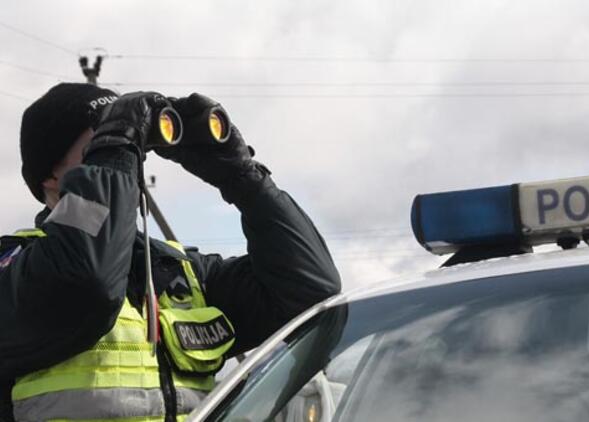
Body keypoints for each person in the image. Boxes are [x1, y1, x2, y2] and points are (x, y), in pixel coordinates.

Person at [0, 83, 341, 422]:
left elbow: (309, 290)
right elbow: (89, 283)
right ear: (50, 175)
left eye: (131, 148)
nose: (126, 160)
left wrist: (241, 177)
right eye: (99, 148)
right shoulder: (17, 269)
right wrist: (115, 151)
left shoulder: (180, 275)